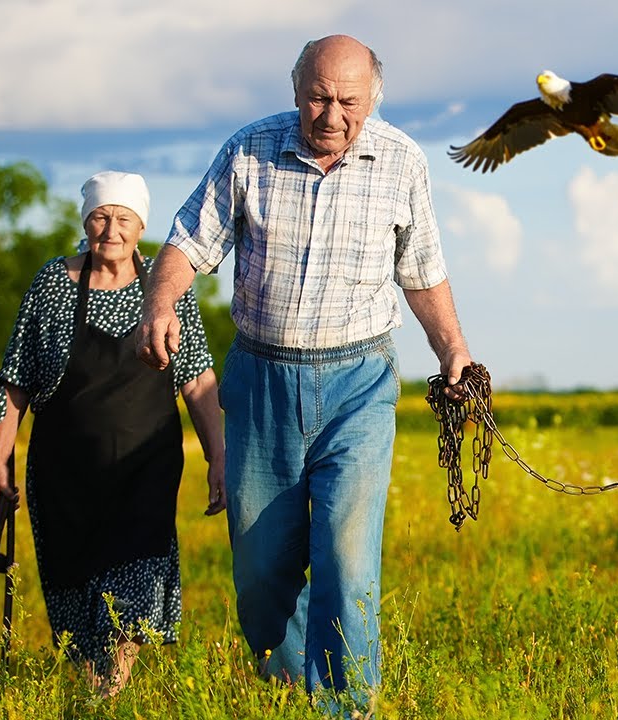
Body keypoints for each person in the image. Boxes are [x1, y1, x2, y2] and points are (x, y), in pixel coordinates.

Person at [136, 34, 472, 699]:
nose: (332, 114)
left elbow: (423, 273)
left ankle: (346, 708)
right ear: (296, 92)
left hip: (358, 383)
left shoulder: (403, 161)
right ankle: (290, 693)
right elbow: (187, 241)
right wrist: (161, 299)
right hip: (261, 385)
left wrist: (453, 349)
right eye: (319, 97)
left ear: (372, 98)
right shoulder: (248, 150)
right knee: (261, 577)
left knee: (346, 562)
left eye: (348, 100)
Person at [0, 170, 226, 697]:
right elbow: (16, 378)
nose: (110, 229)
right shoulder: (51, 284)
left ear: (141, 227)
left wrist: (218, 457)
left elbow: (198, 377)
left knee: (130, 585)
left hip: (146, 467)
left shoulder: (165, 287)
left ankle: (107, 695)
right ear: (85, 221)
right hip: (62, 474)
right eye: (100, 216)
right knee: (73, 601)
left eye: (123, 219)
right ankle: (94, 691)